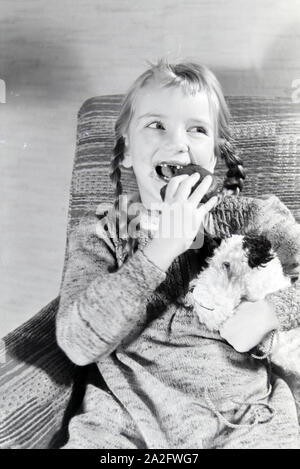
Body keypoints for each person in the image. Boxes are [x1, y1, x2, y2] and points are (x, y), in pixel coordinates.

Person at [56, 59, 300, 449]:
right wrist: (163, 247)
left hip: (246, 423)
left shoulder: (253, 216)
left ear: (214, 156)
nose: (178, 143)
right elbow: (77, 343)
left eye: (197, 129)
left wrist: (273, 311)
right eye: (156, 125)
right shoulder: (103, 230)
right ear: (126, 153)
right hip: (123, 427)